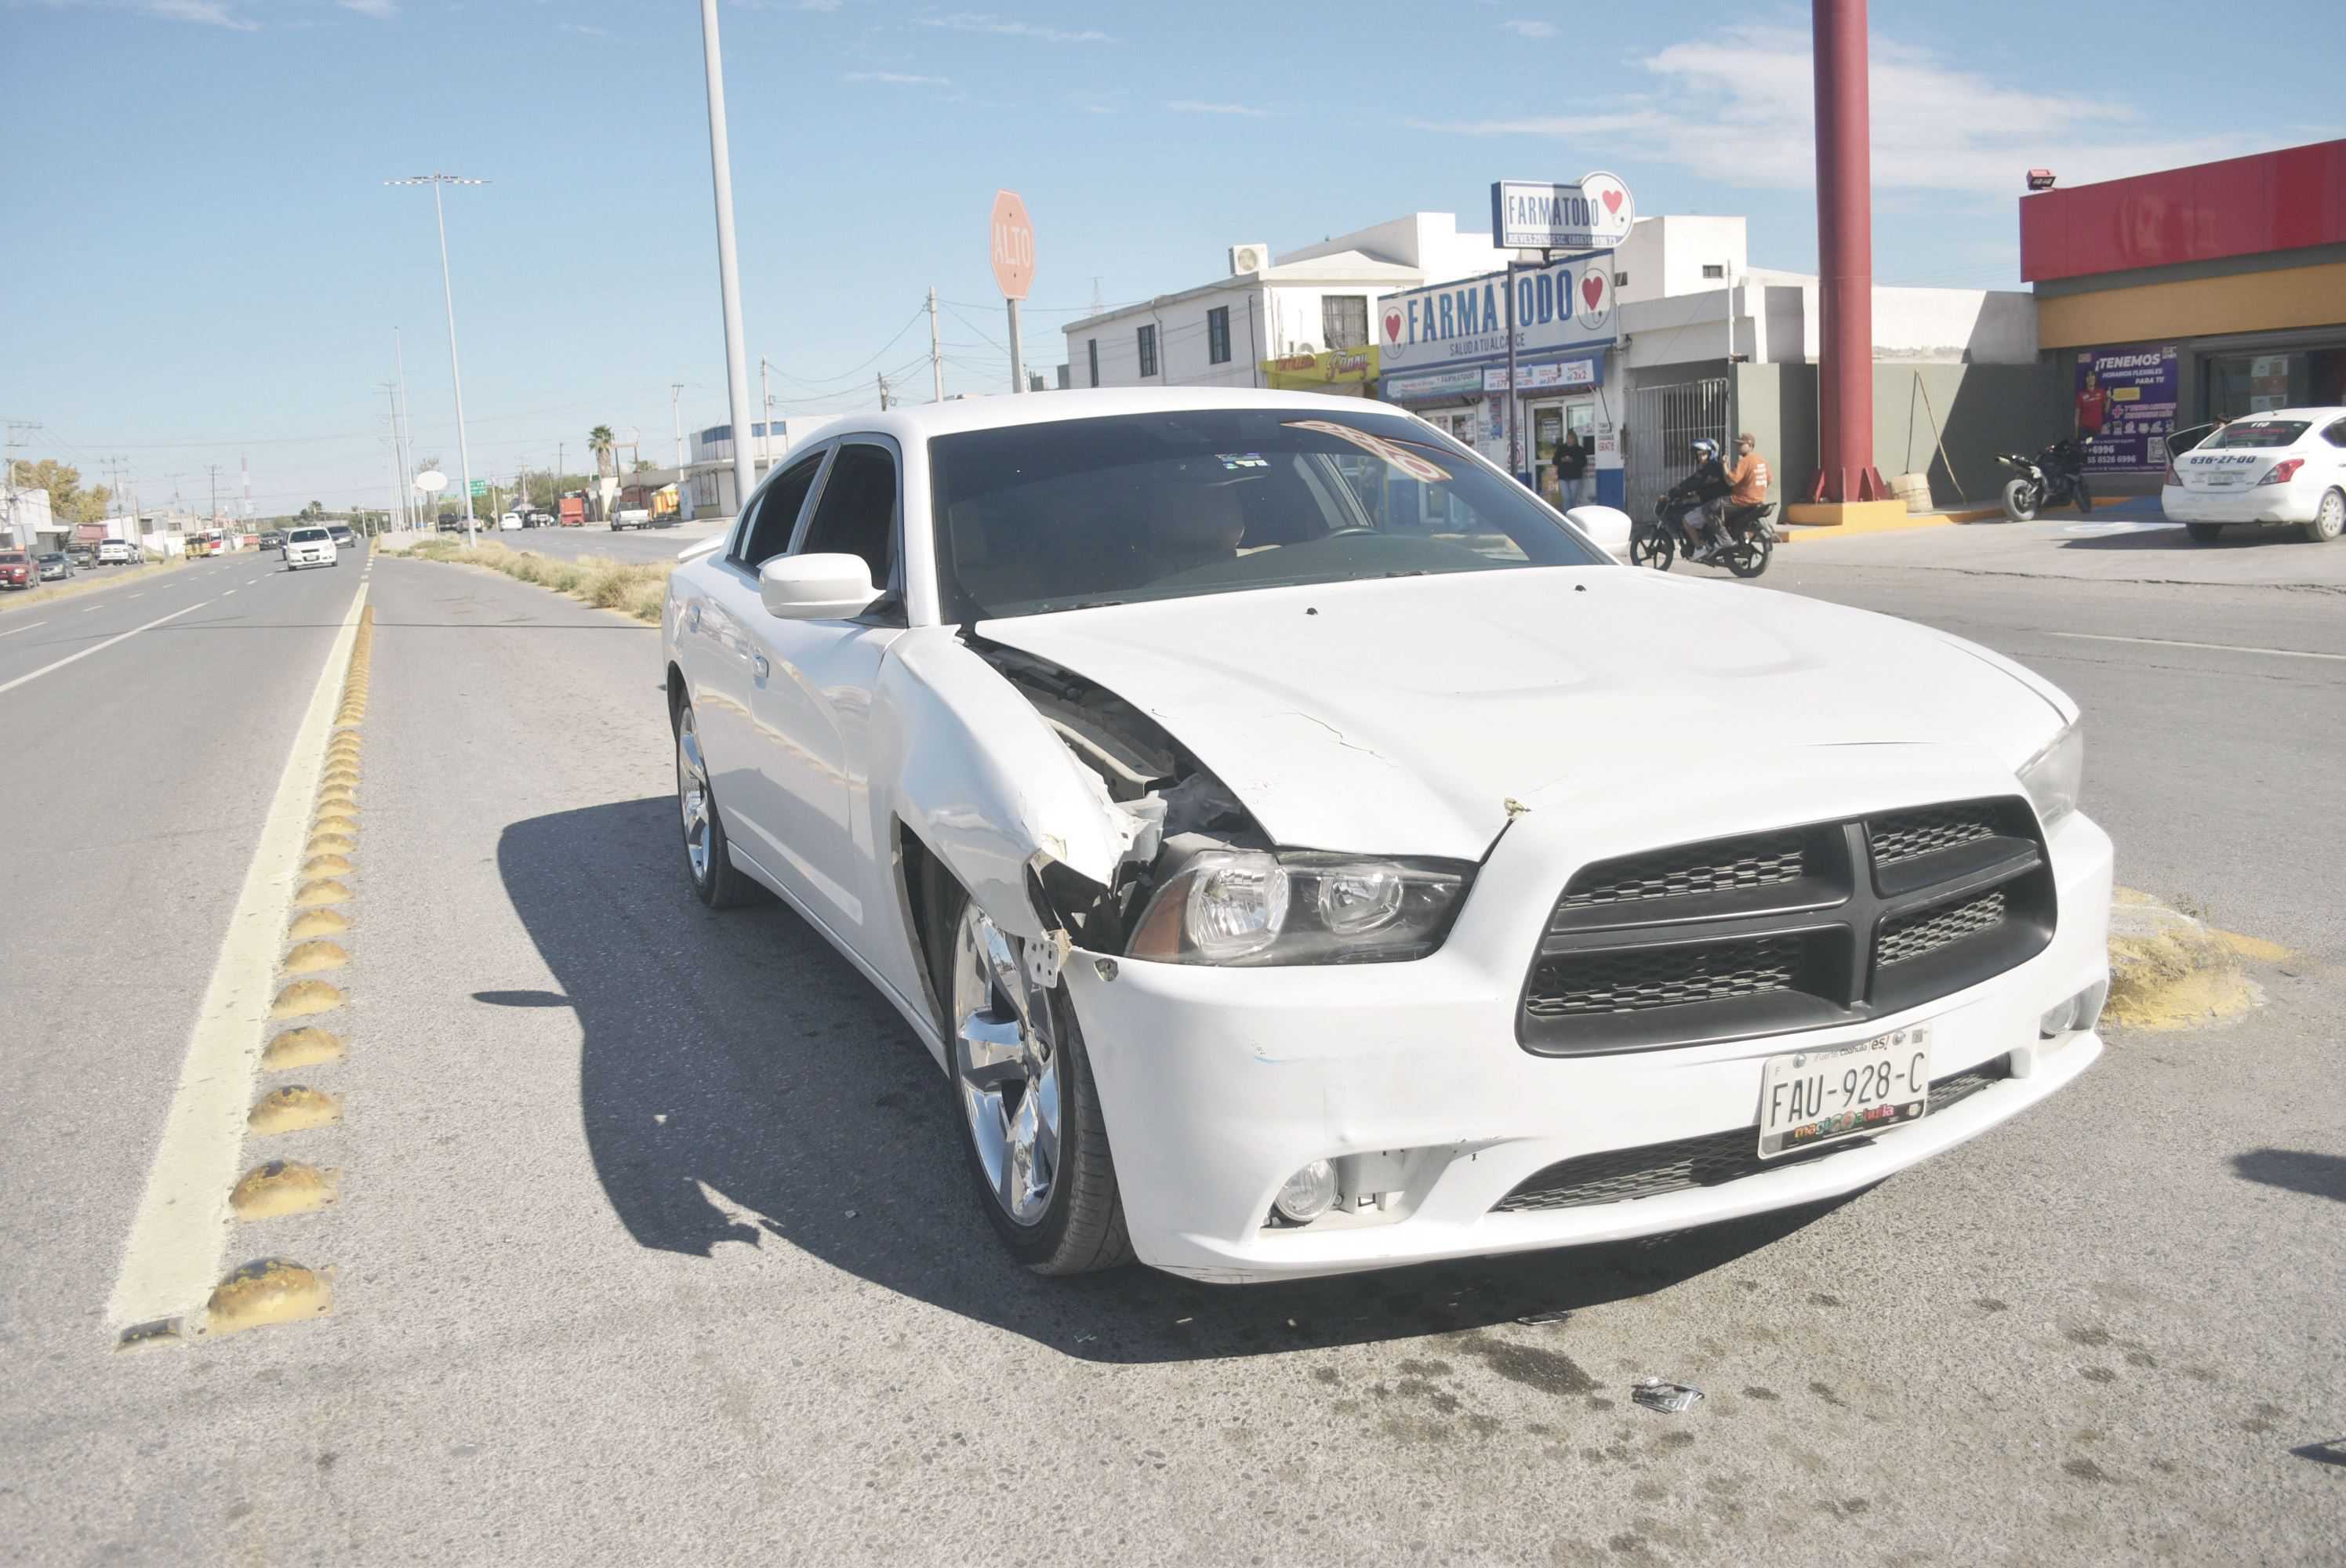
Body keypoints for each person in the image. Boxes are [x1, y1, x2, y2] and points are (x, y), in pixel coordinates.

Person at [1669, 438, 1732, 558]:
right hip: (1721, 503)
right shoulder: (1715, 467)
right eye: (1698, 455)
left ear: (1711, 453)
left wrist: (1673, 492)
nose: (1700, 457)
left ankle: (1699, 548)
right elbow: (1705, 486)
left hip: (1716, 505)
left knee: (1686, 520)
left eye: (1703, 454)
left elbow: (1693, 482)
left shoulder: (1710, 468)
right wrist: (1692, 494)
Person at [1554, 431, 1589, 508]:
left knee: (1573, 499)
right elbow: (1554, 460)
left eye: (1571, 438)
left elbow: (1583, 463)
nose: (1569, 440)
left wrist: (1572, 460)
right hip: (1563, 477)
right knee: (1566, 498)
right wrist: (1562, 460)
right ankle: (1566, 516)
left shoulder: (1580, 449)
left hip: (1575, 477)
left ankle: (1571, 516)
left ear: (1575, 439)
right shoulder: (1561, 448)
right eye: (1568, 438)